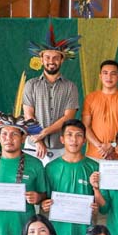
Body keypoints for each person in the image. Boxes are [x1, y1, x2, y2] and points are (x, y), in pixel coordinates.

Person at [42, 119, 101, 235]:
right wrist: (44, 204)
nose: (74, 139)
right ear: (62, 139)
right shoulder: (51, 168)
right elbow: (44, 199)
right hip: (57, 234)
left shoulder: (94, 167)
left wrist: (96, 207)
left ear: (85, 140)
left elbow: (100, 203)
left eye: (79, 135)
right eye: (69, 135)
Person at [23, 25, 82, 163]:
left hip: (60, 148)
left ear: (62, 60)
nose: (51, 61)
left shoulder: (70, 87)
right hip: (34, 147)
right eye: (47, 57)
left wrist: (43, 133)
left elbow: (68, 117)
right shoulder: (31, 85)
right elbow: (28, 115)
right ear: (41, 59)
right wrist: (38, 140)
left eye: (56, 58)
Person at [82, 59, 118, 160]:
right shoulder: (90, 98)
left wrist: (113, 145)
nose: (109, 77)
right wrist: (100, 147)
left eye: (113, 74)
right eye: (105, 73)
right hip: (94, 154)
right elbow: (85, 126)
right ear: (100, 76)